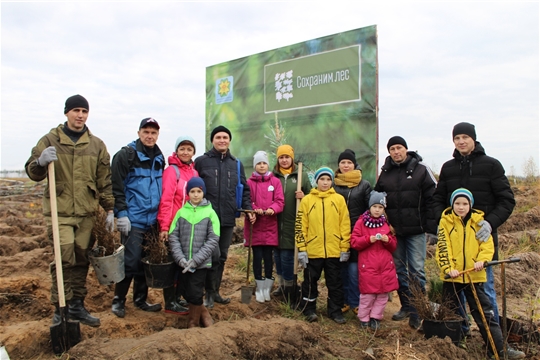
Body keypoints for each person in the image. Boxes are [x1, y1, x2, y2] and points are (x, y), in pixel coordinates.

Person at [25, 94, 114, 327]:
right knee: (64, 259)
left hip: (87, 214)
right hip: (60, 213)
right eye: (76, 111)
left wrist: (111, 210)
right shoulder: (50, 140)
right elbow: (33, 172)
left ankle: (76, 306)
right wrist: (40, 162)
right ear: (67, 113)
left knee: (81, 260)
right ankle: (60, 308)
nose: (80, 115)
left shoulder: (96, 145)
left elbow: (104, 180)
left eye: (84, 111)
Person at [433, 122, 515, 325]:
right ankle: (460, 332)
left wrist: (490, 223)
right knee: (455, 294)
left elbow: (506, 200)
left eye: (464, 137)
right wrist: (440, 224)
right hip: (453, 245)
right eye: (457, 138)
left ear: (473, 139)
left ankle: (493, 337)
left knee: (485, 292)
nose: (461, 141)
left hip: (480, 243)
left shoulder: (491, 165)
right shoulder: (448, 168)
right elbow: (437, 200)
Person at [436, 188, 525, 360]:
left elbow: (487, 246)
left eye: (464, 204)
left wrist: (482, 261)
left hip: (474, 276)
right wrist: (448, 268)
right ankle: (452, 348)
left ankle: (498, 349)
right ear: (452, 204)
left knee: (485, 314)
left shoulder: (479, 221)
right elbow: (442, 248)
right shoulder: (445, 222)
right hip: (453, 277)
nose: (461, 207)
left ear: (470, 205)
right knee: (451, 313)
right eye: (457, 203)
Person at [374, 136, 437, 330]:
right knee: (399, 270)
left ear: (406, 149)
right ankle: (407, 306)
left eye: (399, 148)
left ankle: (419, 311)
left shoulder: (421, 169)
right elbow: (377, 200)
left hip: (417, 231)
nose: (396, 152)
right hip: (395, 231)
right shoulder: (385, 173)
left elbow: (433, 199)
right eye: (392, 149)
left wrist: (432, 229)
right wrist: (385, 224)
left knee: (416, 270)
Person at [194, 125, 255, 308]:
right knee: (208, 256)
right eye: (218, 137)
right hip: (206, 218)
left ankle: (215, 292)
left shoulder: (236, 164)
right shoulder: (202, 161)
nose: (222, 140)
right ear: (212, 140)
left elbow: (243, 189)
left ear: (229, 140)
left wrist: (248, 209)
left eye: (225, 137)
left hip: (228, 218)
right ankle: (205, 294)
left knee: (222, 257)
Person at [110, 117, 164, 318]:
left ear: (157, 135)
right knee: (130, 261)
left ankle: (140, 299)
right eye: (146, 132)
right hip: (133, 219)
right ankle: (118, 300)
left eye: (153, 133)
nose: (150, 136)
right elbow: (116, 186)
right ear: (139, 132)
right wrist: (121, 214)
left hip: (152, 220)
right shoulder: (126, 155)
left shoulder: (159, 157)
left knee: (145, 262)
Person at [295, 167, 351, 324]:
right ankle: (309, 309)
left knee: (335, 282)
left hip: (334, 251)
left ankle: (335, 311)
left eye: (328, 180)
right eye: (322, 179)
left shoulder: (339, 199)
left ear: (332, 181)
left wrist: (344, 247)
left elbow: (345, 224)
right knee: (310, 281)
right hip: (313, 251)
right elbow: (300, 225)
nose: (325, 183)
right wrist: (302, 249)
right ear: (316, 181)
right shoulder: (307, 200)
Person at [168, 177, 220, 328]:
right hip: (183, 262)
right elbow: (173, 237)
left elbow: (212, 239)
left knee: (196, 292)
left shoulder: (210, 213)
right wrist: (180, 258)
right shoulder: (181, 213)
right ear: (187, 193)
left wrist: (196, 259)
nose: (196, 195)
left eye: (199, 191)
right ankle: (204, 313)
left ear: (203, 192)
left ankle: (193, 323)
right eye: (192, 191)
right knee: (185, 290)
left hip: (201, 263)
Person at [157, 136, 198, 315]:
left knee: (182, 263)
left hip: (188, 226)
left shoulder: (194, 173)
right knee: (172, 264)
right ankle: (170, 302)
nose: (185, 152)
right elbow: (166, 199)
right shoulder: (172, 171)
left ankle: (178, 297)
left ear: (193, 153)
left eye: (189, 149)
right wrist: (164, 226)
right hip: (173, 225)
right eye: (182, 148)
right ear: (176, 151)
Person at [350, 191, 398, 330]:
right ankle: (364, 318)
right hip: (368, 265)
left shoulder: (386, 224)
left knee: (382, 295)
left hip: (385, 266)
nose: (377, 210)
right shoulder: (361, 223)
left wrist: (387, 240)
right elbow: (354, 242)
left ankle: (376, 317)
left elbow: (393, 246)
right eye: (375, 206)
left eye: (380, 207)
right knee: (367, 295)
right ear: (370, 206)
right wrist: (367, 240)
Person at [333, 149, 372, 315]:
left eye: (349, 163)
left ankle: (355, 302)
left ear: (354, 165)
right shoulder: (333, 184)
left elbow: (369, 209)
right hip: (337, 233)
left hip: (357, 233)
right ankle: (342, 301)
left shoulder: (364, 185)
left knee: (354, 271)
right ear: (339, 165)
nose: (346, 165)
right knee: (340, 270)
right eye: (343, 163)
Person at [244, 151, 285, 303]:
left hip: (270, 227)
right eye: (258, 163)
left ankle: (267, 288)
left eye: (264, 163)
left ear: (268, 164)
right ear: (255, 165)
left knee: (269, 258)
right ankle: (259, 288)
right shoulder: (249, 182)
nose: (261, 166)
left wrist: (272, 209)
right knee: (257, 258)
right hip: (255, 226)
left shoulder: (275, 182)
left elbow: (280, 201)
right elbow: (247, 200)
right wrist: (254, 208)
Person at [272, 144, 311, 301]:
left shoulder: (301, 175)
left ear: (292, 158)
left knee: (288, 258)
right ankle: (282, 286)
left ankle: (290, 288)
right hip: (274, 224)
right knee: (278, 258)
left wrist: (304, 196)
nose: (284, 160)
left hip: (292, 223)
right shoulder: (273, 177)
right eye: (281, 157)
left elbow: (311, 196)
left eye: (287, 157)